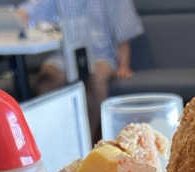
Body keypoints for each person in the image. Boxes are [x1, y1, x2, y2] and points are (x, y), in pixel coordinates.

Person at [17, 0, 143, 138]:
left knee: (95, 79)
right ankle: (53, 138)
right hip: (62, 54)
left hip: (101, 55)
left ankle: (87, 140)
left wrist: (123, 65)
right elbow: (29, 11)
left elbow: (123, 30)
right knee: (46, 81)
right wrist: (19, 17)